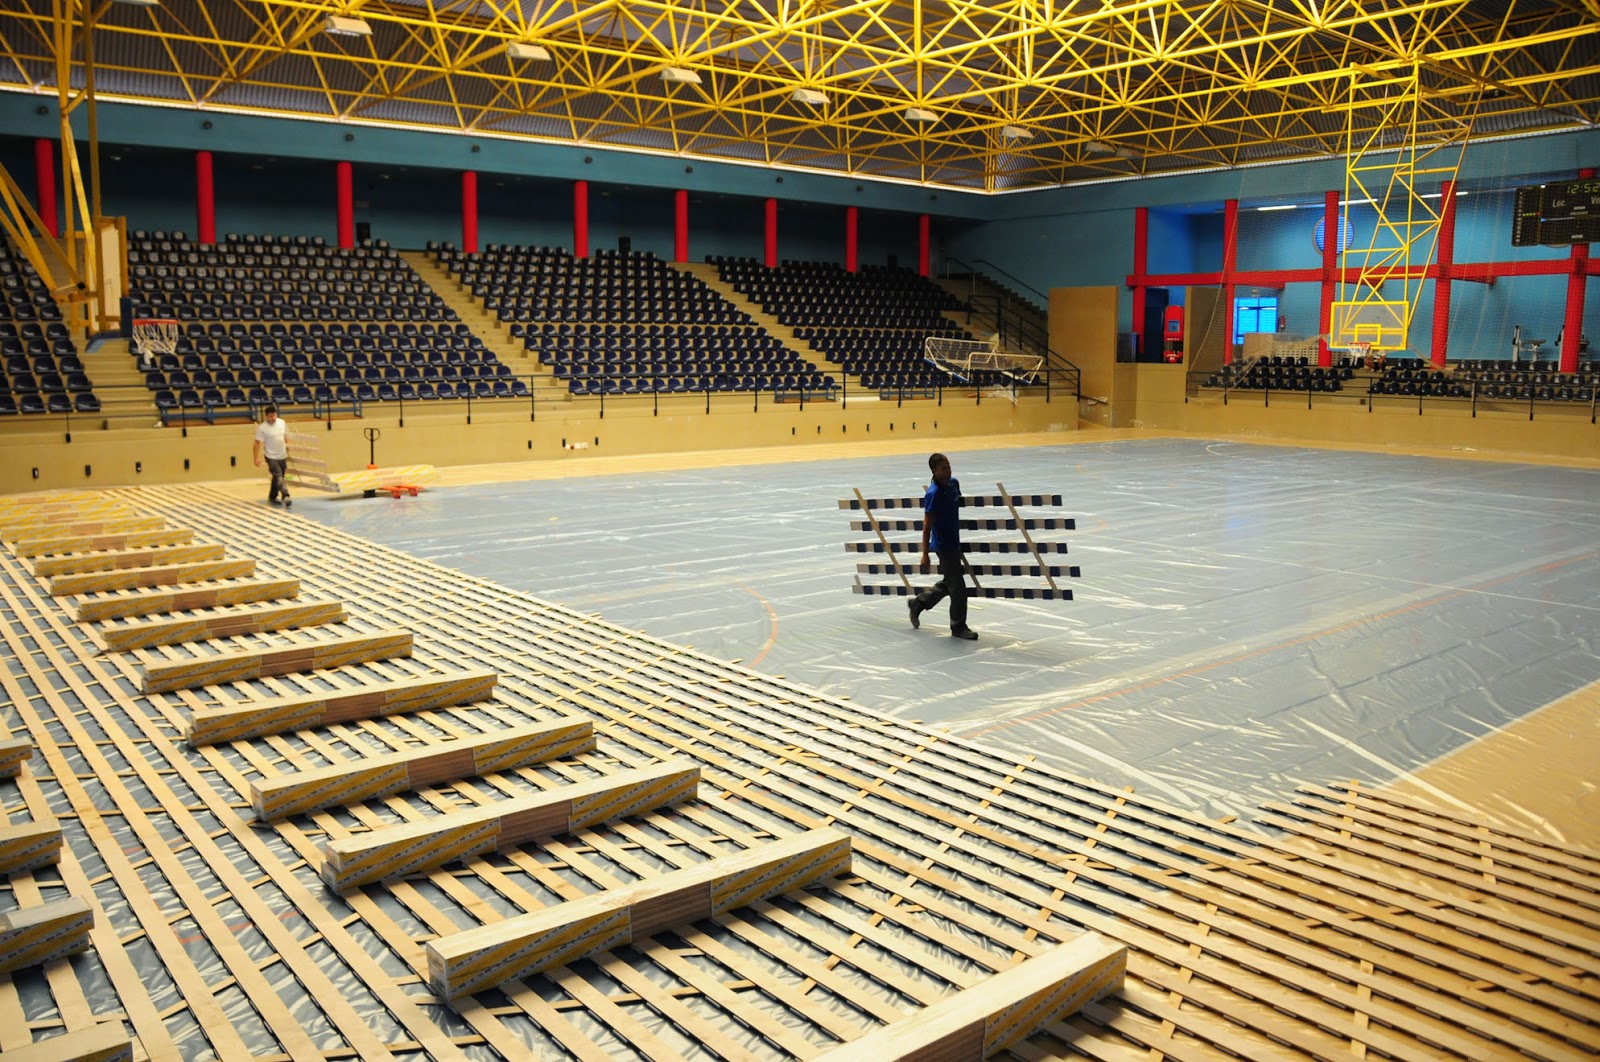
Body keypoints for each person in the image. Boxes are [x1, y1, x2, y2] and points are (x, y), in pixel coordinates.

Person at [908, 452, 977, 640]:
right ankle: (958, 626)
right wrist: (925, 553)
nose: (948, 471)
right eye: (943, 469)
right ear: (934, 471)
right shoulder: (933, 494)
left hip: (954, 541)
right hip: (943, 545)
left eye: (949, 467)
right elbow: (926, 525)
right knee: (959, 588)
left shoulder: (954, 484)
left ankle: (918, 603)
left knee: (949, 584)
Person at [252, 405, 291, 508]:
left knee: (279, 476)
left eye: (274, 415)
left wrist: (288, 446)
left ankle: (272, 496)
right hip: (271, 456)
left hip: (282, 455)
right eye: (270, 416)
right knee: (278, 475)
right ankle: (285, 496)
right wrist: (255, 458)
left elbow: (285, 435)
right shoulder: (262, 428)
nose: (273, 418)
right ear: (266, 416)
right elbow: (256, 443)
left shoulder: (282, 422)